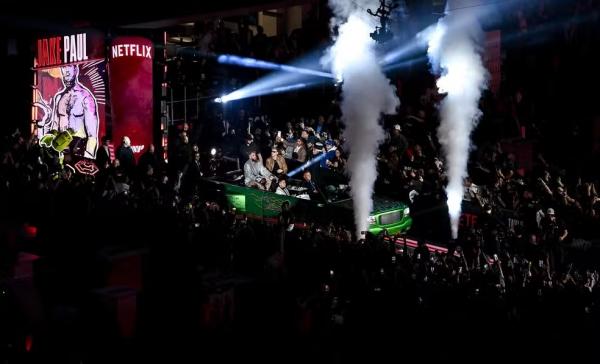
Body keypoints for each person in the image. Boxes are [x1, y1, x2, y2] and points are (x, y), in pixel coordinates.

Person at [35, 64, 99, 159]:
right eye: (63, 74)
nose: (66, 78)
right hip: (60, 147)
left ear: (76, 71)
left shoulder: (86, 97)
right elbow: (55, 127)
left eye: (68, 74)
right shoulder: (59, 98)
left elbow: (92, 134)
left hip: (78, 147)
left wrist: (88, 156)